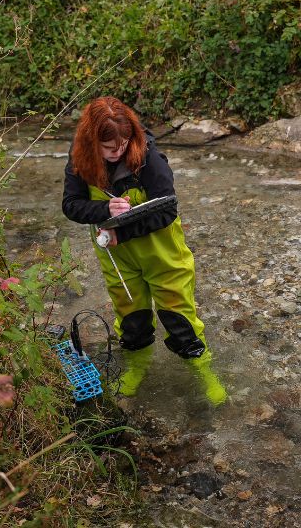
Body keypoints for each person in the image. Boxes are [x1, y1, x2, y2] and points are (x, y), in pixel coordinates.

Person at [62, 96, 227, 406]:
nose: (118, 153)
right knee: (132, 323)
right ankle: (137, 368)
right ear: (91, 141)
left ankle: (205, 374)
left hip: (164, 256)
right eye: (109, 149)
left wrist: (120, 231)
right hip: (118, 262)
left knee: (181, 323)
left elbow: (167, 211)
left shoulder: (149, 159)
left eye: (122, 145)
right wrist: (102, 208)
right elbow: (70, 206)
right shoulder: (79, 162)